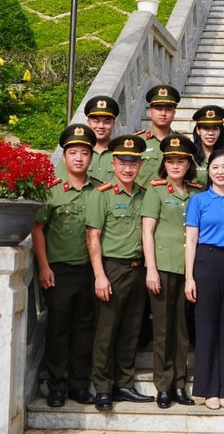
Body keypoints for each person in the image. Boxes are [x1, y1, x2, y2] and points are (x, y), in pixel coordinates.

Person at [32, 123, 100, 407]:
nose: (79, 158)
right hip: (59, 271)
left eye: (84, 153)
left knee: (85, 329)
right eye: (73, 152)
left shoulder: (99, 189)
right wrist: (44, 267)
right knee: (58, 330)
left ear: (91, 157)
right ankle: (57, 386)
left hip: (89, 271)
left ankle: (79, 385)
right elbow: (37, 229)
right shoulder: (52, 190)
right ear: (64, 157)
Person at [86, 134, 153, 409]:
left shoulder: (144, 195)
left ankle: (124, 384)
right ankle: (103, 387)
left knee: (131, 330)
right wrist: (100, 275)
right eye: (123, 163)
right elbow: (93, 237)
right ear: (113, 164)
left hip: (137, 270)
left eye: (133, 163)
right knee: (106, 331)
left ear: (139, 165)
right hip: (112, 269)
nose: (128, 168)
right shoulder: (101, 195)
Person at [184, 148, 224, 410]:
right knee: (207, 325)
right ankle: (208, 388)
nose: (220, 172)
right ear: (208, 171)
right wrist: (189, 276)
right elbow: (190, 239)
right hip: (206, 262)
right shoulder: (199, 200)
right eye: (215, 167)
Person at [142, 134, 200, 408]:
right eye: (171, 160)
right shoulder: (155, 190)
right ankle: (163, 386)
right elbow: (147, 231)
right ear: (164, 163)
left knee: (182, 330)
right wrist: (151, 268)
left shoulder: (197, 191)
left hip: (188, 268)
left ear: (189, 165)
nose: (176, 165)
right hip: (163, 267)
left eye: (181, 161)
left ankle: (179, 384)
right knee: (163, 330)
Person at [54, 95, 117, 184]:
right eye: (96, 121)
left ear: (113, 124)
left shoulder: (119, 153)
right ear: (88, 122)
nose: (101, 126)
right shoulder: (75, 153)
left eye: (107, 122)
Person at [140, 84, 181, 176]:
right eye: (158, 108)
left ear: (174, 113)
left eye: (168, 109)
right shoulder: (139, 142)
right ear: (150, 111)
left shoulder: (181, 142)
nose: (163, 113)